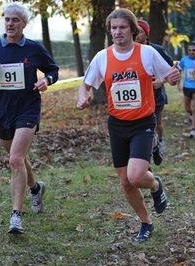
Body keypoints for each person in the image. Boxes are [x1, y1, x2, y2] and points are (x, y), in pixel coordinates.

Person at [77, 8, 180, 242]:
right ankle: (146, 223)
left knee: (135, 177)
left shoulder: (147, 53)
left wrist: (174, 78)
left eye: (122, 27)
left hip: (142, 122)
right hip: (117, 124)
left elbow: (170, 77)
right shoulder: (102, 57)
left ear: (133, 30)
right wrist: (82, 96)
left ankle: (155, 185)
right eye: (114, 28)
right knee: (125, 180)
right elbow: (86, 84)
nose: (117, 32)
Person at [0, 2, 59, 234]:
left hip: (28, 109)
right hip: (3, 112)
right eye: (7, 19)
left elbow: (53, 70)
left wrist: (46, 81)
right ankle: (36, 188)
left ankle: (16, 217)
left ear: (24, 24)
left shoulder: (34, 48)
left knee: (14, 160)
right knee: (17, 158)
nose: (10, 24)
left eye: (15, 20)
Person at [135, 20, 174, 164]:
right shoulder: (128, 52)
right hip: (137, 98)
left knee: (154, 125)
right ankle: (152, 147)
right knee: (143, 127)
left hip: (155, 96)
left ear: (146, 34)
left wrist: (161, 80)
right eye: (134, 31)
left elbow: (172, 70)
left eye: (139, 31)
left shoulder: (157, 50)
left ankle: (157, 144)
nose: (136, 35)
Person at [178, 41, 195, 138]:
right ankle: (191, 114)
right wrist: (178, 84)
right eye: (190, 50)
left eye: (193, 50)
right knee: (188, 109)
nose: (192, 52)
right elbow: (179, 72)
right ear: (188, 51)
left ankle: (193, 129)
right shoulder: (184, 60)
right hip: (187, 87)